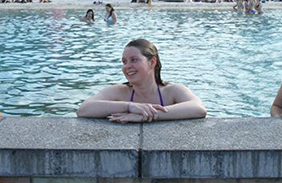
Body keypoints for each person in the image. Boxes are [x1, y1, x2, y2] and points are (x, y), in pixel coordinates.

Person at [77, 39, 206, 122]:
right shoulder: (118, 92)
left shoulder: (172, 91)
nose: (127, 66)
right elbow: (83, 110)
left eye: (134, 60)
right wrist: (130, 107)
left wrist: (145, 115)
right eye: (124, 62)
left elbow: (198, 108)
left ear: (152, 62)